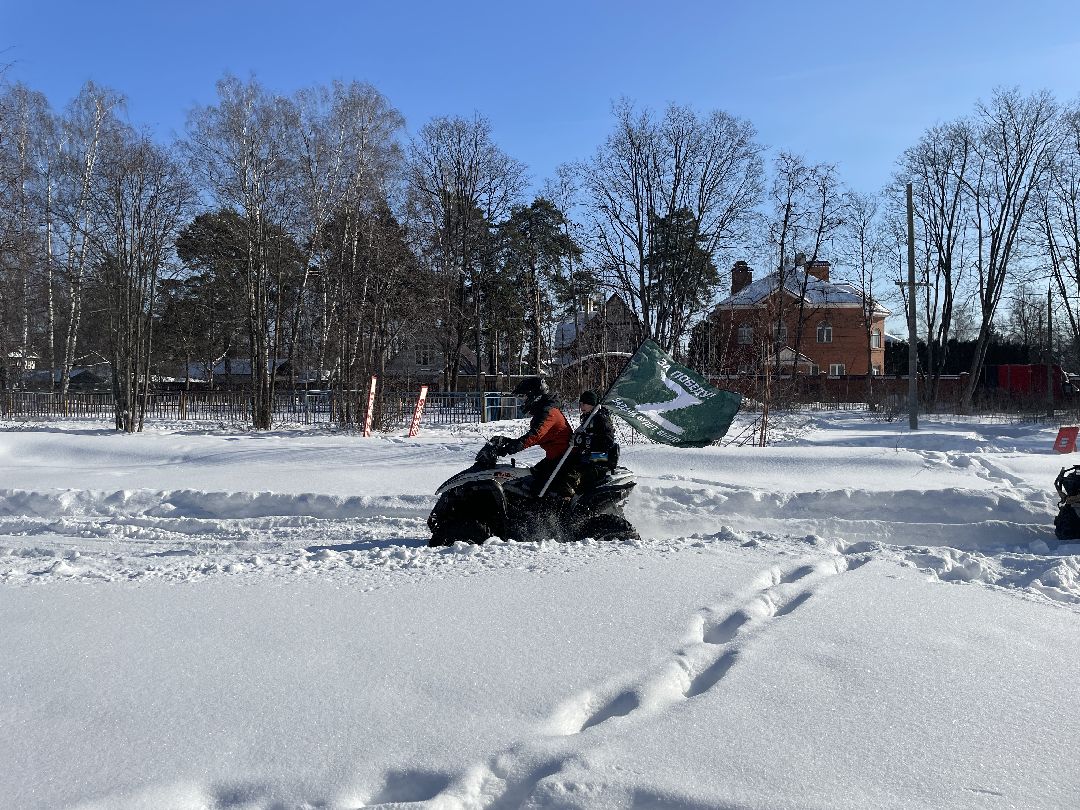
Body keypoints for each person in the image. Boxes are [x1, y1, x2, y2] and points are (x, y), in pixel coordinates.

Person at [494, 377, 575, 497]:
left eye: (525, 397)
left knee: (536, 489)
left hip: (563, 460)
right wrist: (509, 441)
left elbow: (535, 435)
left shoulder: (549, 413)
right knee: (528, 478)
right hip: (556, 457)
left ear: (535, 396)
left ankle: (544, 514)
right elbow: (540, 436)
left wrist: (508, 448)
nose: (523, 402)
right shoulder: (545, 410)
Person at [575, 390, 618, 487]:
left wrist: (583, 441)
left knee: (581, 469)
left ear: (592, 404)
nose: (581, 406)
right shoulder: (589, 417)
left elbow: (608, 441)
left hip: (602, 456)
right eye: (580, 403)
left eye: (584, 403)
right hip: (591, 453)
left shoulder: (601, 418)